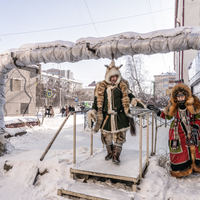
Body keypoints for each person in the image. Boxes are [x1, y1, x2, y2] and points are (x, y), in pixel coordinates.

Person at [87, 59, 146, 164]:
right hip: (106, 117)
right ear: (108, 77)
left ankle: (116, 156)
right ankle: (110, 153)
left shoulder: (122, 86)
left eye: (116, 76)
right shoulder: (101, 87)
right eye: (112, 77)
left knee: (119, 137)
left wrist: (136, 102)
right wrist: (92, 113)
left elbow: (130, 97)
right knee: (106, 136)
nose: (114, 79)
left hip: (120, 117)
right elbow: (96, 102)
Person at [147, 83, 200, 178]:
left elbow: (198, 117)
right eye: (178, 97)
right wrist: (157, 111)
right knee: (180, 149)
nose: (180, 99)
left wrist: (196, 126)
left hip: (192, 129)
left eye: (182, 96)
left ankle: (195, 167)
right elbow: (167, 116)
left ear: (186, 96)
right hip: (177, 130)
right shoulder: (173, 105)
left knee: (195, 148)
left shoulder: (193, 104)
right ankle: (181, 170)